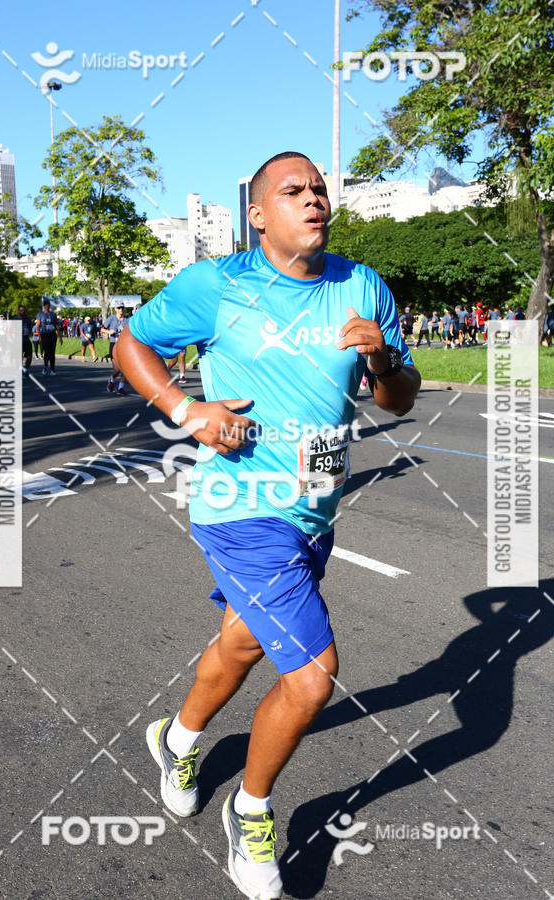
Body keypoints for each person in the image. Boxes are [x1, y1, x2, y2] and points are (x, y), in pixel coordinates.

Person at [115, 151, 420, 900]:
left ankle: (176, 740)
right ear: (257, 214)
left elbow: (401, 399)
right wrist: (188, 411)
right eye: (294, 191)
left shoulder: (362, 286)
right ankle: (250, 812)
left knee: (245, 640)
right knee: (312, 676)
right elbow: (131, 343)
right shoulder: (216, 285)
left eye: (320, 189)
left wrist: (383, 362)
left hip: (316, 507)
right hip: (241, 506)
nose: (315, 199)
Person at [103, 304, 130, 394]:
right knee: (117, 369)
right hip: (114, 345)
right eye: (119, 308)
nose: (121, 309)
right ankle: (111, 380)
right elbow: (102, 329)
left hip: (124, 346)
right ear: (115, 309)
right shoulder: (111, 318)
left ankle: (120, 388)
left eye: (122, 308)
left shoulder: (127, 320)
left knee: (125, 369)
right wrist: (109, 331)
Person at [36, 300, 63, 375]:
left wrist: (60, 337)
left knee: (52, 352)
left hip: (52, 335)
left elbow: (57, 326)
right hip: (44, 335)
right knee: (47, 352)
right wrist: (39, 336)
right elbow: (38, 326)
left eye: (48, 305)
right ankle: (45, 367)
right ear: (44, 306)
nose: (47, 307)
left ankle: (52, 369)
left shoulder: (53, 314)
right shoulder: (40, 314)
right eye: (46, 305)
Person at [12, 304, 34, 377]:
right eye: (21, 310)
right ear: (18, 311)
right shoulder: (14, 319)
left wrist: (31, 334)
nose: (22, 311)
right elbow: (9, 330)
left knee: (29, 357)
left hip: (26, 340)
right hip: (17, 341)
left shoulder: (27, 319)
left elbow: (30, 329)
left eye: (24, 310)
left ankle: (26, 369)